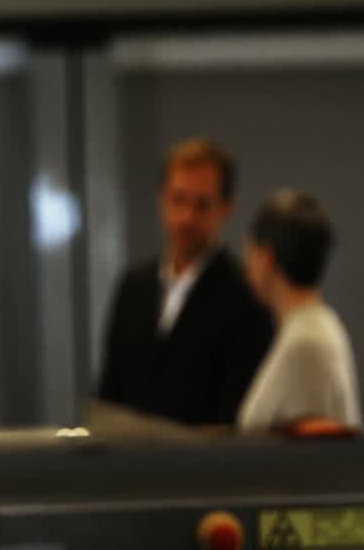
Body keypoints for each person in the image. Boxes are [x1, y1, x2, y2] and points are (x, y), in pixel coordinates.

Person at [99, 138, 274, 426]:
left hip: (205, 465)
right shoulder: (133, 287)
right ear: (161, 200)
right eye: (178, 200)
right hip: (133, 463)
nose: (186, 218)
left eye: (202, 205)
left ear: (225, 208)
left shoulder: (246, 295)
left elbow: (242, 409)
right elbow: (110, 394)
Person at [238, 190, 360, 432]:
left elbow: (313, 455)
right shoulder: (313, 328)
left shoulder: (305, 342)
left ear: (266, 258)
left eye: (250, 252)